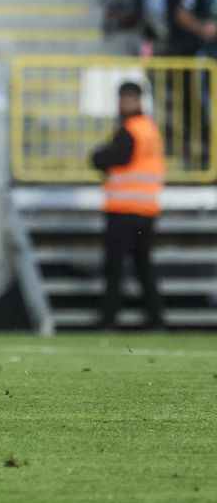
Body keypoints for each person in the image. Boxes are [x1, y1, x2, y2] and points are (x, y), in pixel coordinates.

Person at [90, 81, 166, 330]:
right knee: (143, 266)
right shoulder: (150, 128)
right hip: (147, 208)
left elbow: (115, 158)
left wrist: (97, 157)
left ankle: (109, 319)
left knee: (115, 266)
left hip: (124, 208)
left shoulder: (130, 129)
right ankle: (156, 319)